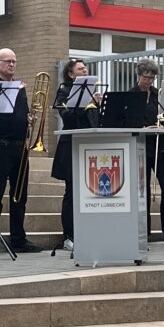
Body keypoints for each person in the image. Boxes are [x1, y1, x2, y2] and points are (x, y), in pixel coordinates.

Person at [0, 46, 40, 255]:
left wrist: (29, 119)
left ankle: (18, 239)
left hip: (20, 148)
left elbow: (21, 115)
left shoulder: (20, 88)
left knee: (20, 196)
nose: (12, 64)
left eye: (14, 61)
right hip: (0, 147)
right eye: (7, 61)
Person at [51, 58, 101, 251]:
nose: (85, 71)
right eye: (80, 69)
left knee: (90, 191)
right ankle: (69, 236)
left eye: (85, 68)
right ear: (71, 74)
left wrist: (97, 105)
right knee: (71, 192)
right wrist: (84, 103)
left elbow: (95, 121)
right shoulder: (64, 92)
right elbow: (68, 118)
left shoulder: (92, 93)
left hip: (90, 146)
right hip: (71, 146)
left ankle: (88, 232)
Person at [133, 60, 164, 243]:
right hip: (140, 143)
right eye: (146, 77)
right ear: (139, 75)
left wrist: (162, 126)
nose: (149, 81)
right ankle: (141, 231)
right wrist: (143, 127)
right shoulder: (131, 95)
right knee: (142, 189)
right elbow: (126, 119)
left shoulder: (159, 95)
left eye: (152, 78)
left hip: (159, 144)